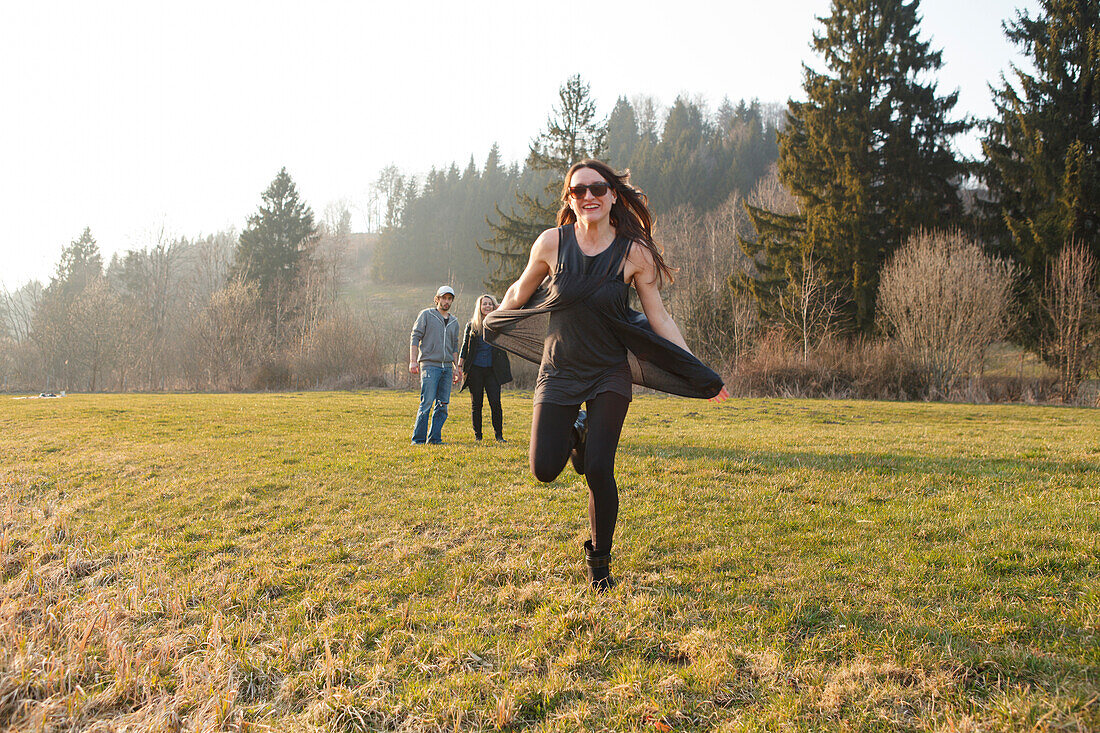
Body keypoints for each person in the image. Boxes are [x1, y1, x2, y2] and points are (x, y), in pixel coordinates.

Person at [484, 159, 729, 591]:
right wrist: (494, 319)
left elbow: (661, 321)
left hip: (608, 372)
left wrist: (697, 372)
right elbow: (518, 293)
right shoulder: (551, 243)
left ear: (614, 195)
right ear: (570, 200)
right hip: (559, 368)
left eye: (598, 188)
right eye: (579, 191)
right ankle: (578, 428)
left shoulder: (634, 253)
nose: (589, 197)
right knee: (543, 468)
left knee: (598, 468)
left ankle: (600, 565)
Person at [409, 285, 462, 445]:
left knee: (443, 404)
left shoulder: (454, 321)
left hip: (447, 367)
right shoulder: (426, 315)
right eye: (443, 298)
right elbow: (415, 337)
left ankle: (434, 439)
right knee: (427, 403)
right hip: (429, 365)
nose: (446, 301)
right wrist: (413, 360)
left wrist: (456, 368)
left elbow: (454, 346)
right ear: (437, 299)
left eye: (449, 299)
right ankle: (418, 440)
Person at [458, 294, 513, 442]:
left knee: (495, 403)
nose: (487, 306)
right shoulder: (471, 325)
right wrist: (459, 364)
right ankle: (478, 436)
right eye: (484, 304)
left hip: (492, 370)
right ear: (479, 307)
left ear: (494, 306)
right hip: (475, 369)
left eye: (490, 304)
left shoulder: (499, 324)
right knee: (477, 404)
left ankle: (499, 436)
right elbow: (465, 347)